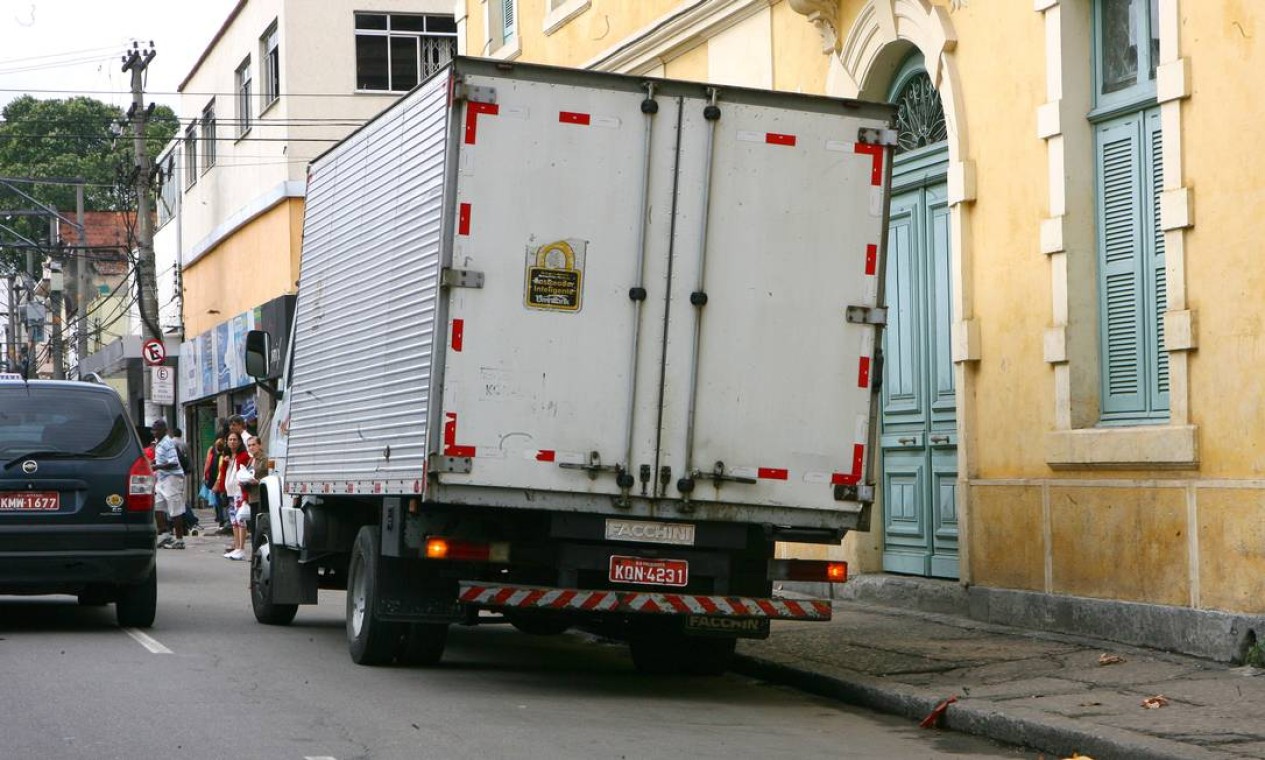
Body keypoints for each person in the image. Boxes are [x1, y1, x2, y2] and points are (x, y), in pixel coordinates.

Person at [150, 420, 187, 550]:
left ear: (164, 430)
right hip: (161, 478)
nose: (154, 432)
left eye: (157, 430)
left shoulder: (167, 443)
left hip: (172, 479)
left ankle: (179, 539)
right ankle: (165, 534)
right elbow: (161, 459)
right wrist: (153, 462)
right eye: (153, 430)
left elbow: (174, 463)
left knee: (175, 510)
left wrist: (155, 466)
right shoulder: (158, 443)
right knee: (157, 506)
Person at [221, 432, 251, 560]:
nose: (232, 442)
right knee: (234, 521)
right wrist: (224, 462)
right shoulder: (228, 457)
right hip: (230, 491)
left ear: (239, 442)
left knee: (240, 520)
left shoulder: (244, 456)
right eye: (230, 439)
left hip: (239, 491)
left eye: (235, 439)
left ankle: (241, 548)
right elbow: (223, 473)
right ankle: (237, 547)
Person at [239, 436, 270, 545]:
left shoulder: (265, 459)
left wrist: (258, 481)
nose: (251, 447)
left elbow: (271, 476)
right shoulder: (251, 460)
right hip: (252, 496)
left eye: (253, 445)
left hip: (261, 497)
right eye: (249, 445)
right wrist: (243, 480)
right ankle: (254, 553)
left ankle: (259, 551)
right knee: (253, 527)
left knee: (260, 527)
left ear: (259, 445)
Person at [171, 427, 200, 536]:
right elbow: (189, 460)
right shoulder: (184, 444)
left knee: (178, 501)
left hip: (174, 474)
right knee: (180, 498)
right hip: (183, 473)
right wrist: (190, 470)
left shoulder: (170, 443)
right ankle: (187, 523)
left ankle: (188, 522)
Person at [205, 437, 230, 531]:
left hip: (220, 482)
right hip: (215, 481)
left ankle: (224, 521)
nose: (218, 447)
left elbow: (221, 470)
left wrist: (217, 482)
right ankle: (222, 520)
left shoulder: (222, 456)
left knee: (222, 501)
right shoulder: (216, 454)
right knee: (219, 502)